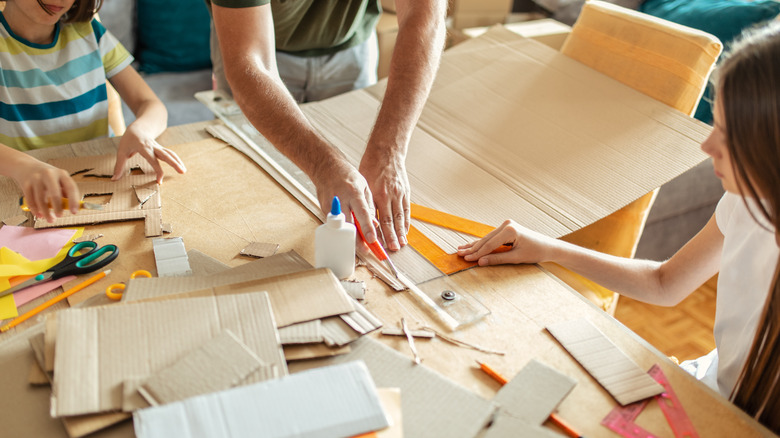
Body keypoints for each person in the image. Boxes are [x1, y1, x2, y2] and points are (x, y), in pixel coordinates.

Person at [457, 22, 780, 432]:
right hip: (711, 393)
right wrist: (551, 249)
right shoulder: (745, 199)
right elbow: (664, 282)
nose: (706, 146)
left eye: (729, 134)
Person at [208, 0, 446, 252]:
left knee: (352, 188)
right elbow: (250, 62)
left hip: (350, 45)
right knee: (248, 191)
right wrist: (324, 165)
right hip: (251, 41)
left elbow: (425, 16)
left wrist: (388, 151)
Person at [0, 0, 186, 222]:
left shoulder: (90, 32)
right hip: (21, 195)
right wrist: (24, 166)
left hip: (100, 184)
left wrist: (142, 130)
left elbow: (150, 104)